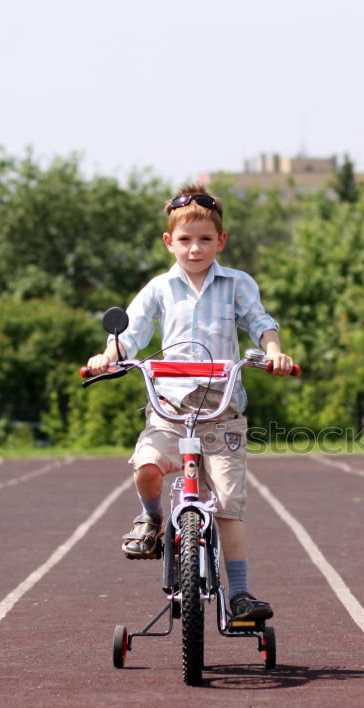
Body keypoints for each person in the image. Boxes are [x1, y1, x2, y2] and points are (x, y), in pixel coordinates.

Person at [85, 184, 295, 621]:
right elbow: (131, 334)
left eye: (204, 239)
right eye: (184, 240)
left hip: (221, 414)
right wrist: (107, 358)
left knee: (229, 508)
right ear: (169, 242)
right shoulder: (159, 288)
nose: (194, 248)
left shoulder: (237, 283)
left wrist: (272, 351)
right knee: (146, 466)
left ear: (221, 241)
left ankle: (239, 594)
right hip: (170, 410)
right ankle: (150, 519)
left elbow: (260, 322)